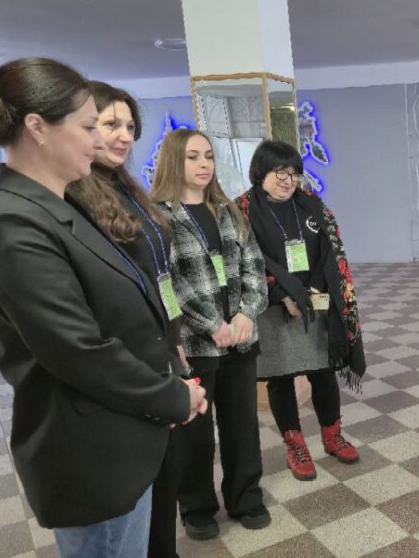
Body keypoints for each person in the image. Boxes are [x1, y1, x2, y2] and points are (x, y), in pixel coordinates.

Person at [0, 47, 207, 558]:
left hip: (120, 432)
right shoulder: (14, 225)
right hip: (89, 451)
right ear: (38, 127)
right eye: (89, 126)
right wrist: (171, 397)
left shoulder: (58, 206)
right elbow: (79, 351)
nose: (100, 141)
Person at [66, 81, 188, 558]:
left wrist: (174, 336)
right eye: (109, 124)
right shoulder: (75, 197)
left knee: (166, 473)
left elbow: (158, 273)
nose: (123, 136)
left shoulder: (127, 188)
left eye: (130, 126)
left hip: (160, 345)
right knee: (140, 485)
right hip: (128, 356)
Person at [150, 128, 270, 540]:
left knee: (242, 427)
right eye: (192, 157)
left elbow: (254, 265)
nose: (204, 165)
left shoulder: (228, 210)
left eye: (208, 156)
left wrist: (247, 313)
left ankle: (245, 497)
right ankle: (197, 508)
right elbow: (168, 281)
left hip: (240, 338)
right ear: (173, 162)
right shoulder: (159, 217)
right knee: (195, 434)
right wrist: (212, 323)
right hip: (196, 343)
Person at [234, 140, 365, 481]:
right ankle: (296, 446)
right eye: (281, 173)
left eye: (294, 174)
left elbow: (329, 252)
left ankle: (332, 436)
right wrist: (284, 295)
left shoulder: (311, 204)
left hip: (315, 299)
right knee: (281, 378)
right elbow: (246, 262)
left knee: (323, 370)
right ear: (261, 172)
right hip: (272, 304)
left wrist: (313, 291)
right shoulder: (242, 211)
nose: (288, 181)